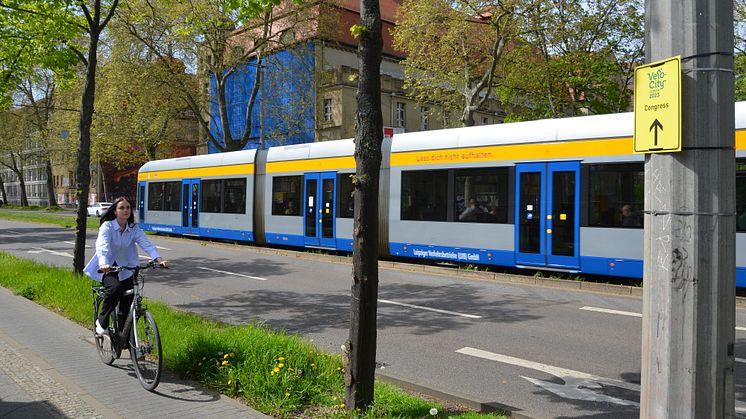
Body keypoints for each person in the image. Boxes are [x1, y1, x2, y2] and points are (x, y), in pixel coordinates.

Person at [84, 196, 168, 335]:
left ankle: (126, 341)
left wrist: (159, 259)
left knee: (128, 304)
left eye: (128, 207)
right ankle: (102, 320)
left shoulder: (133, 228)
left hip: (128, 269)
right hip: (109, 268)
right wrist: (104, 263)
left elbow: (146, 243)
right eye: (121, 208)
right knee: (116, 289)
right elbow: (102, 246)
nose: (125, 210)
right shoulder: (108, 226)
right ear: (115, 211)